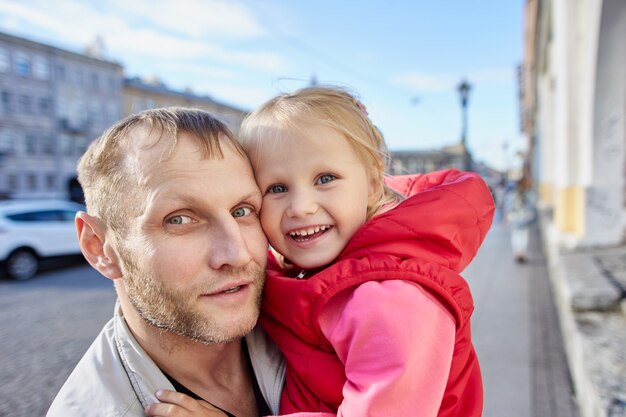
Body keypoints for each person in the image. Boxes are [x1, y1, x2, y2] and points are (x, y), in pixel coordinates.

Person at [154, 86, 495, 416]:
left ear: (373, 184)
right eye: (276, 188)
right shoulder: (321, 273)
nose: (301, 207)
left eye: (325, 179)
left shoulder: (391, 300)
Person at [47, 108, 285, 417]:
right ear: (99, 248)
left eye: (242, 211)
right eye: (180, 219)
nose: (238, 254)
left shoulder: (320, 329)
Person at [505, 177, 536, 263]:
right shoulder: (527, 195)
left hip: (515, 219)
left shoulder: (512, 195)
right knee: (523, 236)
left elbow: (508, 207)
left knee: (516, 236)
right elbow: (531, 207)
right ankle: (522, 253)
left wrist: (507, 218)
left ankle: (517, 253)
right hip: (524, 219)